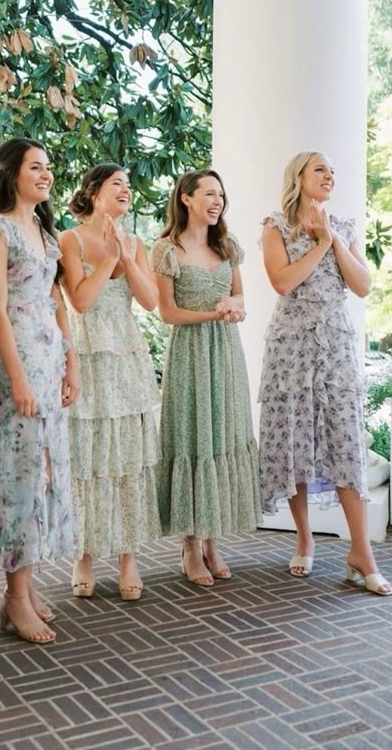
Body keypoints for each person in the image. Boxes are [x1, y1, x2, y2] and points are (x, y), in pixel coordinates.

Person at [259, 151, 392, 595]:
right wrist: (317, 243)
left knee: (345, 440)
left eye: (333, 171)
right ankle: (304, 537)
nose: (330, 176)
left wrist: (332, 238)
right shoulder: (275, 226)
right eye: (320, 169)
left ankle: (361, 552)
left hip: (335, 345)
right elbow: (283, 282)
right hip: (292, 347)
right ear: (298, 176)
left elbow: (362, 285)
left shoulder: (346, 228)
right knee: (295, 438)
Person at [0, 137, 80, 643]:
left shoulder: (43, 229)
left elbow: (56, 299)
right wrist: (15, 379)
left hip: (49, 358)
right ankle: (14, 597)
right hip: (19, 363)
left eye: (48, 167)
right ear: (11, 173)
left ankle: (29, 584)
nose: (45, 174)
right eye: (35, 167)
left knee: (45, 472)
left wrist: (71, 364)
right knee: (20, 475)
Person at [151, 169, 261, 587]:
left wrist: (235, 307)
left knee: (221, 437)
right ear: (186, 198)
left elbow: (240, 297)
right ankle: (190, 544)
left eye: (221, 195)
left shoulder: (227, 246)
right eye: (209, 194)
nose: (217, 201)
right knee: (194, 438)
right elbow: (167, 313)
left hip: (226, 355)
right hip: (191, 354)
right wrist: (214, 314)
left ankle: (213, 540)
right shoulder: (166, 249)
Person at [60, 164, 161, 601]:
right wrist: (110, 261)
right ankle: (83, 554)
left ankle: (127, 555)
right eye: (115, 184)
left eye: (127, 184)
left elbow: (151, 300)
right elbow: (79, 301)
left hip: (127, 356)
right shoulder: (70, 238)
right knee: (87, 458)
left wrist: (127, 256)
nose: (125, 189)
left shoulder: (137, 241)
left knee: (127, 457)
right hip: (87, 353)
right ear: (94, 193)